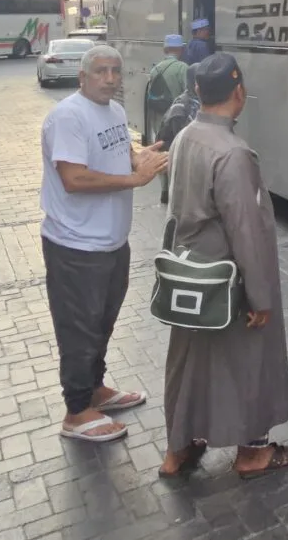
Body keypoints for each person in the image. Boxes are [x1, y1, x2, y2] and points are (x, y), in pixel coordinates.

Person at [159, 53, 288, 480]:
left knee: (189, 362)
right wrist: (259, 296)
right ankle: (254, 453)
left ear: (198, 91)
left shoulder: (185, 136)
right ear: (239, 92)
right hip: (227, 282)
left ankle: (179, 449)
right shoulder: (233, 153)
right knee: (250, 359)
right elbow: (246, 230)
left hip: (189, 276)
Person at [40, 44, 168, 443]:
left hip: (112, 242)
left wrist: (137, 157)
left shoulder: (114, 111)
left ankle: (94, 389)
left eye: (115, 71)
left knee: (101, 323)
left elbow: (119, 149)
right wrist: (135, 179)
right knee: (79, 329)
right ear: (83, 76)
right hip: (76, 246)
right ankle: (77, 411)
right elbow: (73, 178)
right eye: (100, 71)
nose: (110, 78)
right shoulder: (68, 116)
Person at [143, 35, 190, 141]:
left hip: (159, 118)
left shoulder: (155, 69)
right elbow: (189, 94)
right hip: (176, 119)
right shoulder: (183, 67)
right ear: (181, 50)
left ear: (165, 50)